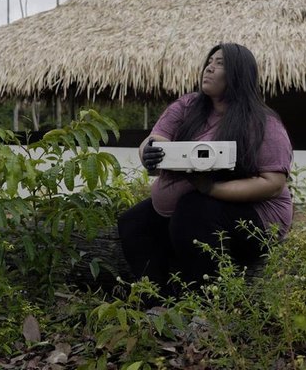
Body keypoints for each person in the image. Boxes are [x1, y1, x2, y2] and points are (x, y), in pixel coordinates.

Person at [117, 43, 293, 296]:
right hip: (196, 202)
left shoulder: (263, 122)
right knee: (134, 222)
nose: (209, 67)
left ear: (239, 73)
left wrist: (211, 188)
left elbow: (272, 183)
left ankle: (207, 308)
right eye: (210, 61)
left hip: (259, 219)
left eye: (220, 63)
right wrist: (149, 150)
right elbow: (156, 138)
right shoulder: (189, 106)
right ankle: (158, 300)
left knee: (193, 212)